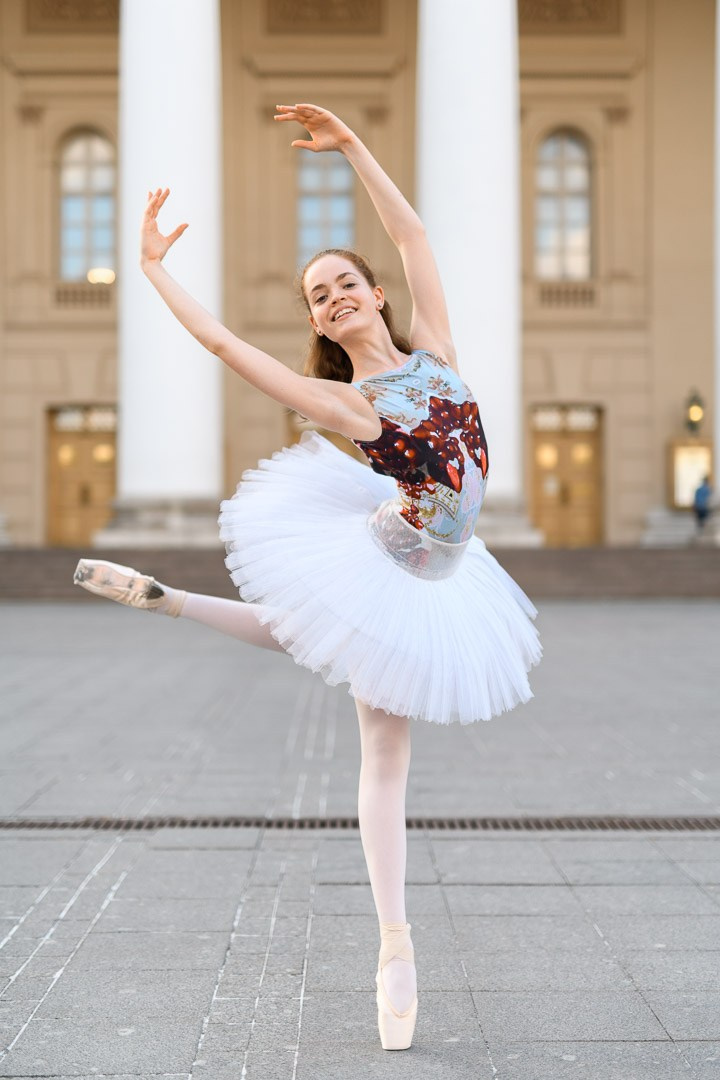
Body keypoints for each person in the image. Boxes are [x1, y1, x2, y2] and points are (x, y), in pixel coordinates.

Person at [73, 103, 542, 1052]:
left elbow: (410, 233)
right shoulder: (349, 403)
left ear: (373, 294)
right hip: (391, 557)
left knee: (297, 630)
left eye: (342, 284)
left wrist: (357, 147)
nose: (330, 299)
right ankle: (395, 949)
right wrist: (155, 268)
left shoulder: (439, 353)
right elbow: (225, 350)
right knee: (382, 756)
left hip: (451, 571)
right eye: (315, 296)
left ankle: (169, 601)